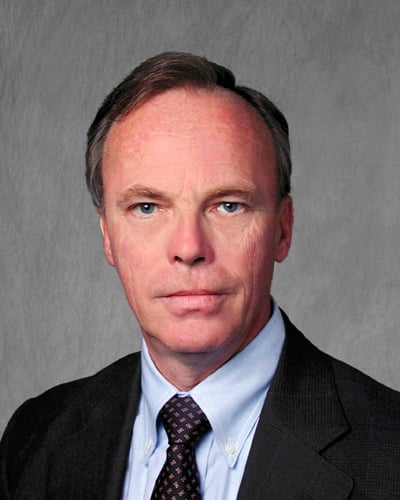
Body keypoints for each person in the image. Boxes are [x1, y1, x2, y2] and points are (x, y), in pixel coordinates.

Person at [1, 52, 399, 500]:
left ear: (283, 229)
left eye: (228, 205)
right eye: (147, 207)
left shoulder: (390, 452)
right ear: (108, 236)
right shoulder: (35, 440)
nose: (189, 248)